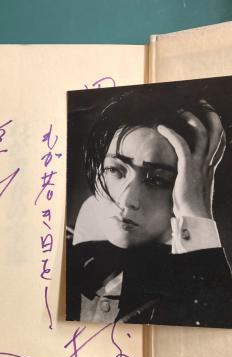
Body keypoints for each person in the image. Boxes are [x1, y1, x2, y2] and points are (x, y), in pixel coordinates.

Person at [66, 90, 232, 328]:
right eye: (114, 170)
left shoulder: (194, 285)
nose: (127, 200)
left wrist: (195, 212)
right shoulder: (61, 254)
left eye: (156, 180)